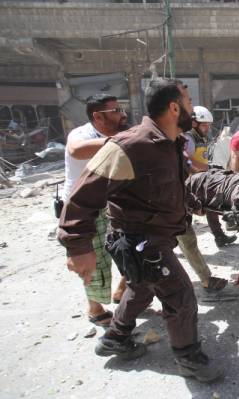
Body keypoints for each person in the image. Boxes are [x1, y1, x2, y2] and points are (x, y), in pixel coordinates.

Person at [58, 78, 222, 382]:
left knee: (141, 288)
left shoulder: (169, 144)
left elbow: (170, 188)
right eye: (188, 103)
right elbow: (81, 198)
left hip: (155, 239)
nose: (193, 111)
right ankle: (189, 359)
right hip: (140, 243)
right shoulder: (131, 145)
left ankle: (114, 339)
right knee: (181, 295)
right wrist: (78, 247)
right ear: (174, 107)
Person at [62, 93, 128, 326]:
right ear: (98, 116)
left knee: (127, 252)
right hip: (83, 209)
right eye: (117, 111)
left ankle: (121, 292)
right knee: (95, 261)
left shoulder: (121, 135)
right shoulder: (81, 134)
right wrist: (121, 141)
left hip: (111, 203)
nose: (123, 115)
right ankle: (95, 309)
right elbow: (75, 151)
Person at [183, 105, 236, 247]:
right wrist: (208, 168)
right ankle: (173, 245)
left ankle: (219, 237)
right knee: (184, 215)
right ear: (194, 123)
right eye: (204, 125)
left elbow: (202, 157)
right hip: (189, 182)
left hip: (202, 179)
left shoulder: (201, 137)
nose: (207, 128)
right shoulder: (188, 139)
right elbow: (187, 160)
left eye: (209, 125)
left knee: (211, 206)